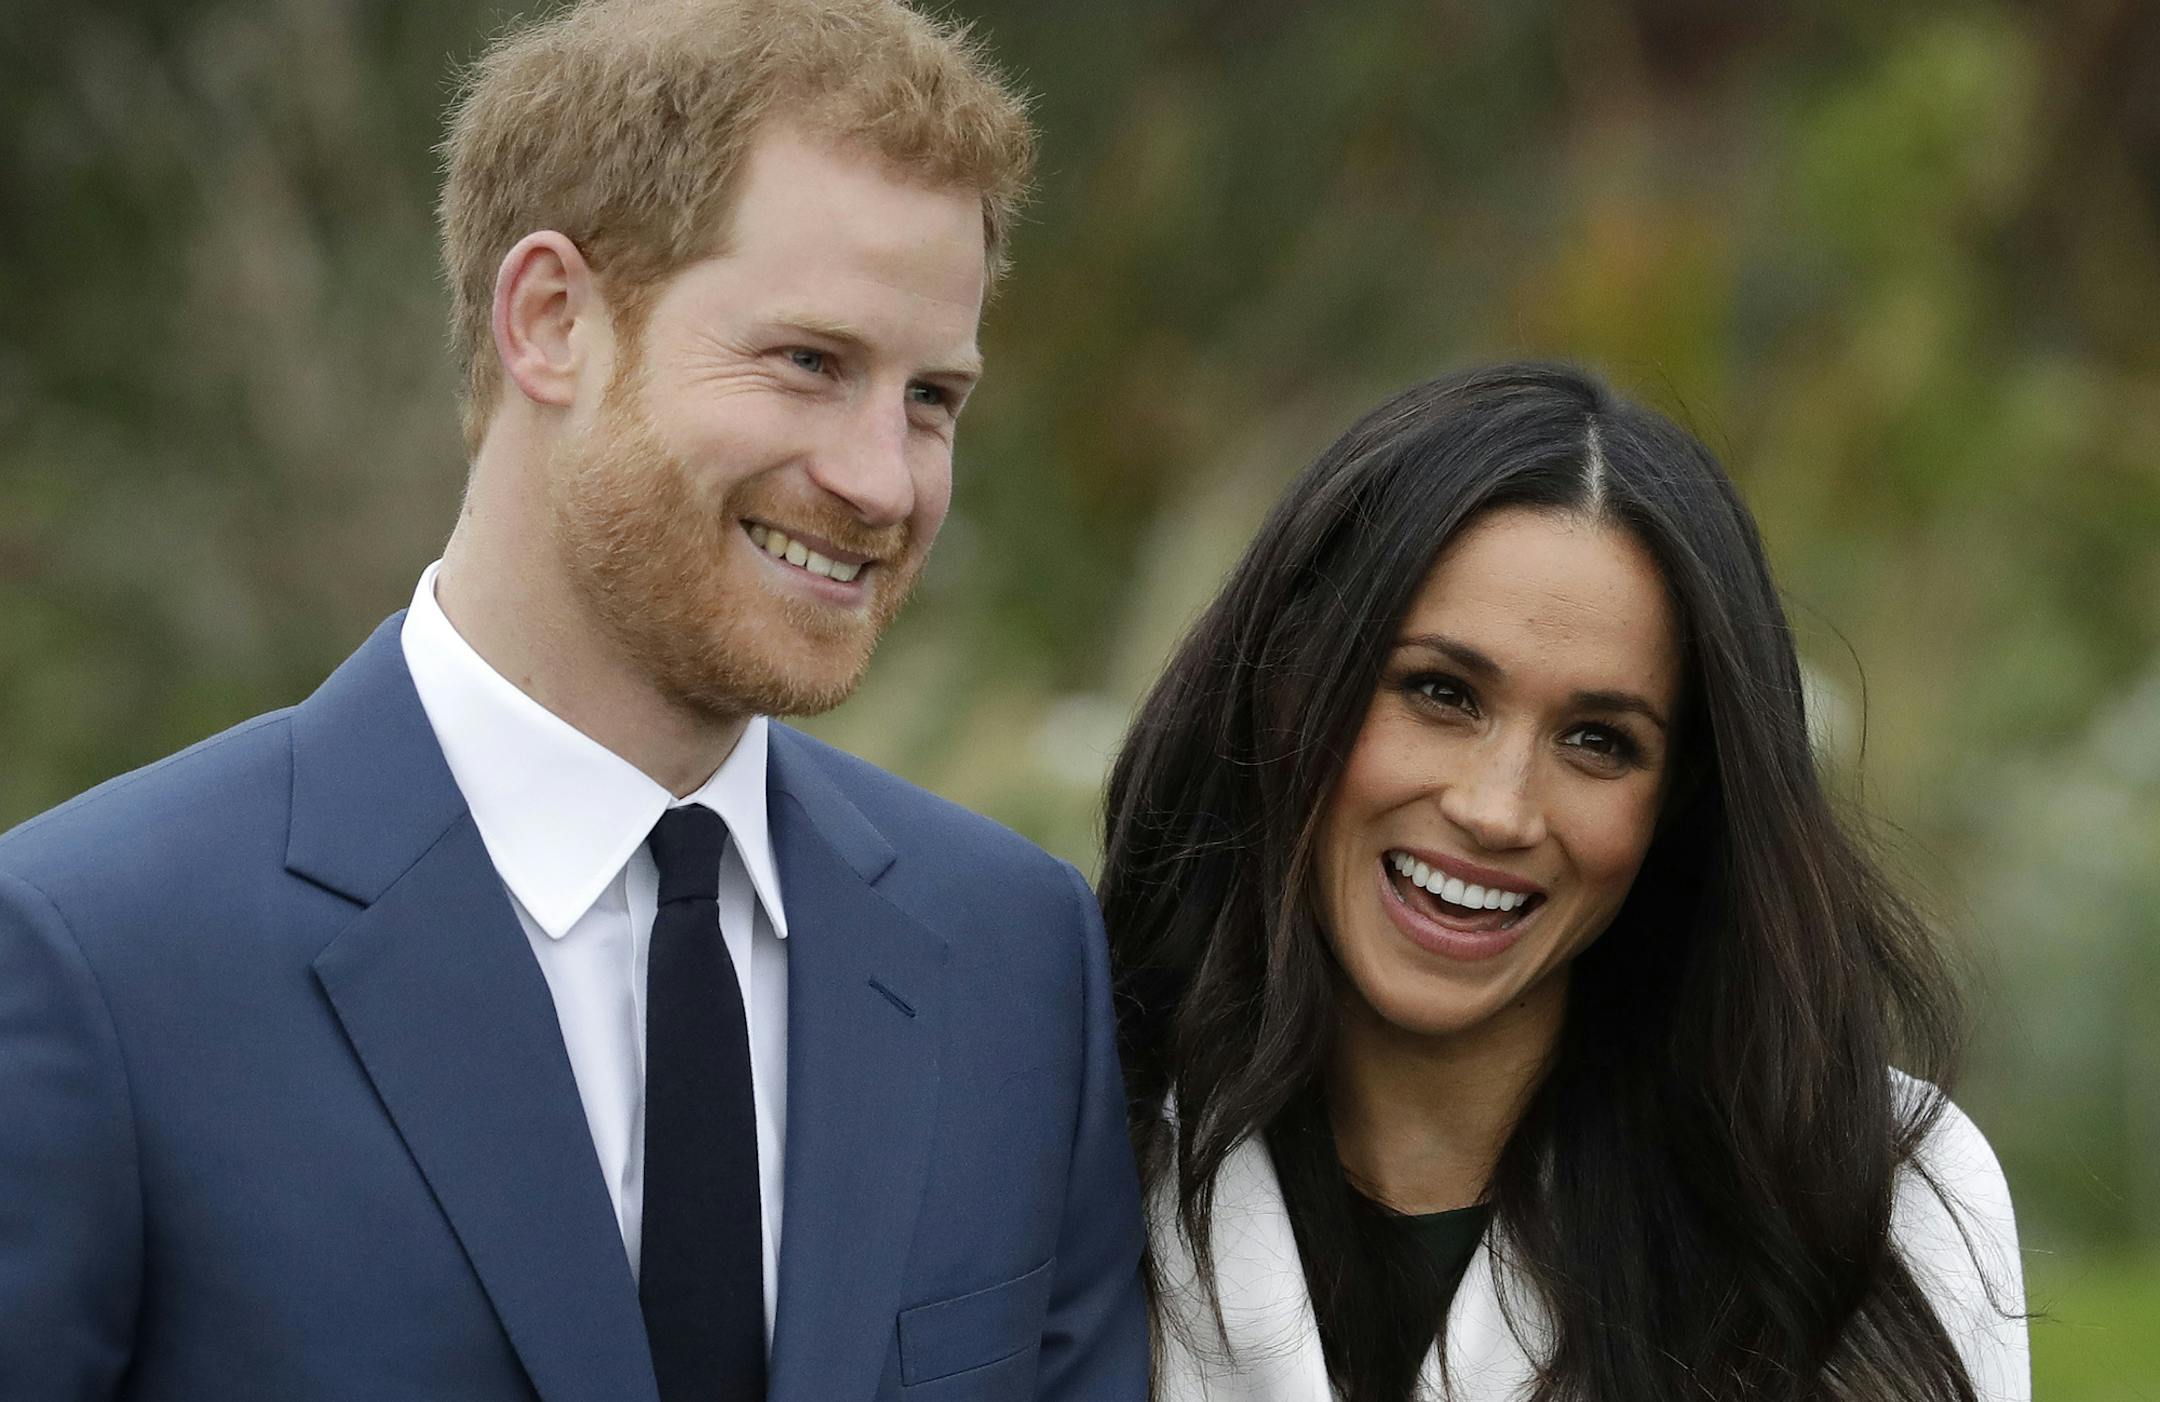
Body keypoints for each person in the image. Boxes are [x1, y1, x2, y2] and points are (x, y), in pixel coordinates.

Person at [0, 2, 1148, 1398]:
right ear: (553, 320)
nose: (885, 482)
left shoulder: (1015, 957)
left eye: (931, 399)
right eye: (810, 362)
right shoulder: (93, 958)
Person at [1100, 362, 2026, 1401]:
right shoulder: (1070, 1141)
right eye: (1439, 692)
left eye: (1599, 740)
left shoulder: (1876, 1193)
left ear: (1678, 799)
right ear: (1285, 688)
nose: (1498, 808)